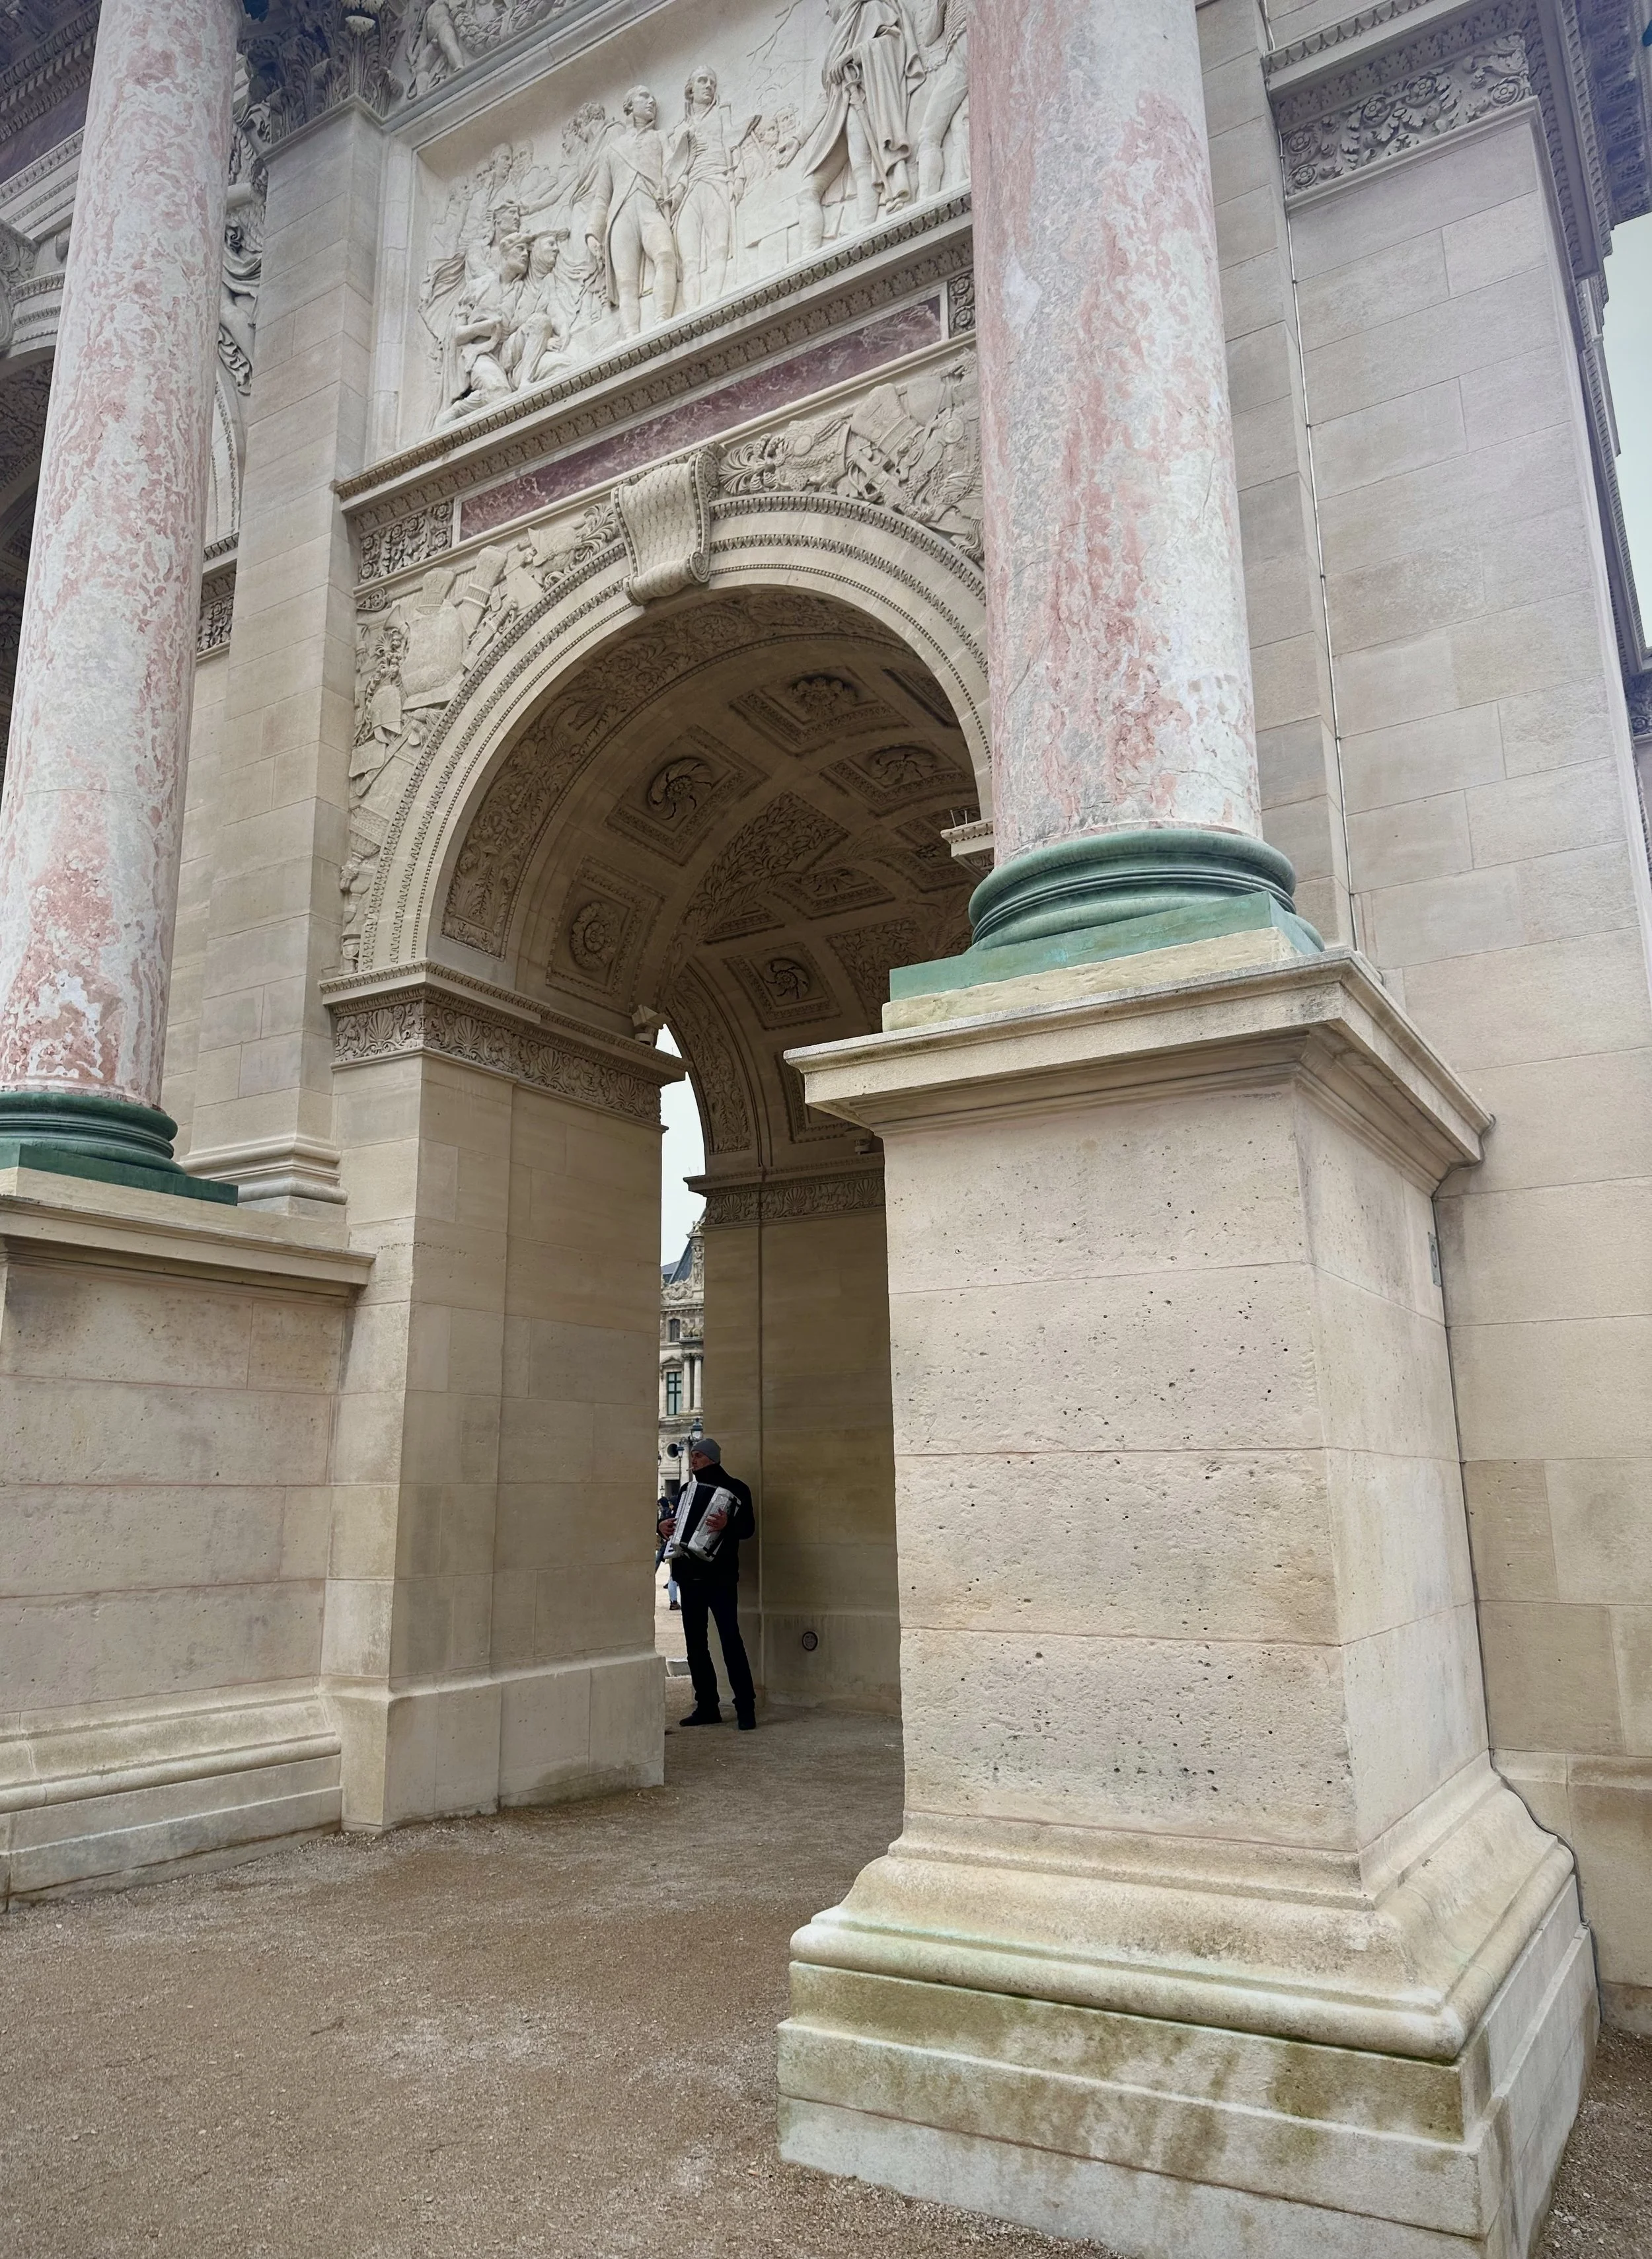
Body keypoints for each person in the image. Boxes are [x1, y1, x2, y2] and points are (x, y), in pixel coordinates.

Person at [663, 1438, 756, 1728]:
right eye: (693, 1456)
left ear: (713, 1459)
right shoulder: (686, 1490)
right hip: (689, 1576)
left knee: (731, 1640)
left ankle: (746, 1708)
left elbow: (749, 1529)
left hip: (721, 1577)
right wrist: (663, 1525)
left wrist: (727, 1525)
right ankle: (707, 1707)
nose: (693, 1461)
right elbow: (676, 1523)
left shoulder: (737, 1489)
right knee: (695, 1645)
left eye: (699, 1456)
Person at [655, 1495, 680, 1610]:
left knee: (672, 1576)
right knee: (673, 1577)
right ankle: (674, 1601)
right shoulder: (670, 1512)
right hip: (672, 1547)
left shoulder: (670, 1513)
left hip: (669, 1546)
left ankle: (673, 1601)